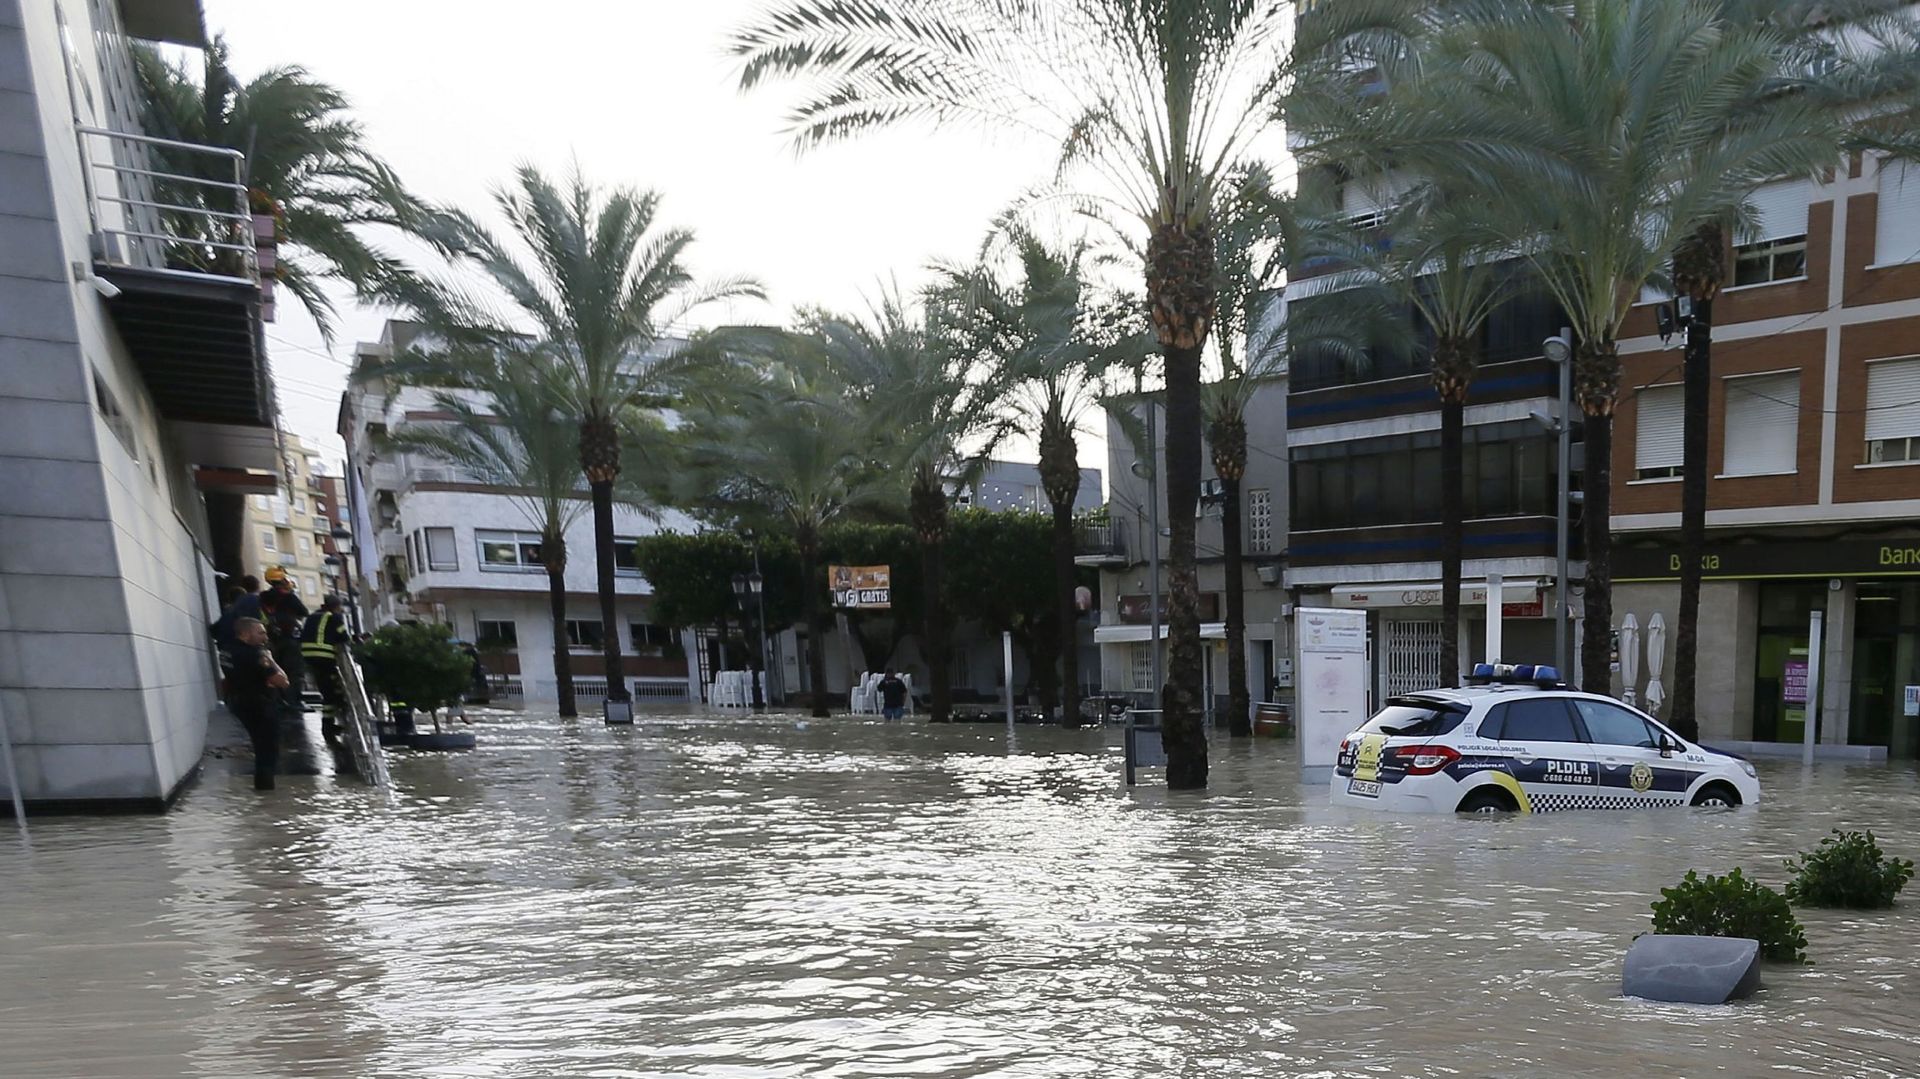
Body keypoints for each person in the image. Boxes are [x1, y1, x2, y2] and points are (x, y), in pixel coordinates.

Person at [226, 617, 289, 790]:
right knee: (267, 751)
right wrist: (271, 659)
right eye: (260, 633)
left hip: (239, 703)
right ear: (245, 634)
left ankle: (262, 793)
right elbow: (282, 681)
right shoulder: (257, 654)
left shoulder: (227, 651)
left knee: (260, 746)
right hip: (261, 705)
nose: (265, 637)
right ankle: (266, 793)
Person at [258, 567, 309, 713]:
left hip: (272, 639)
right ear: (281, 580)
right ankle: (295, 702)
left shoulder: (263, 597)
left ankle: (279, 701)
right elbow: (303, 611)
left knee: (276, 669)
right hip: (289, 638)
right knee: (295, 671)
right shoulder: (289, 597)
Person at [300, 594, 350, 740]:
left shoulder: (312, 616)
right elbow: (343, 637)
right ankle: (328, 725)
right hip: (325, 656)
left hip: (308, 656)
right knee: (331, 693)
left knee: (326, 689)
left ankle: (329, 723)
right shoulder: (334, 617)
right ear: (336, 606)